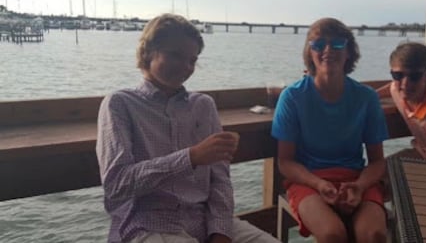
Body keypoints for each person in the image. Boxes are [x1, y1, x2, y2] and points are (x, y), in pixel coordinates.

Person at [96, 13, 279, 243]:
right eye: (175, 55)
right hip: (148, 224)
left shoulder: (203, 105)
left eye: (192, 60)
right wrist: (191, 157)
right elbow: (117, 185)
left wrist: (220, 231)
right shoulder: (119, 103)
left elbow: (220, 179)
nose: (185, 66)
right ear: (148, 52)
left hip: (205, 220)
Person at [272, 18, 389, 243]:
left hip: (356, 179)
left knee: (373, 235)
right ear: (310, 52)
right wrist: (318, 184)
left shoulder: (367, 98)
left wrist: (359, 186)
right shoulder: (292, 97)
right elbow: (285, 162)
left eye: (337, 44)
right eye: (318, 44)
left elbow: (377, 162)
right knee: (333, 235)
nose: (327, 50)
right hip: (309, 180)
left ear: (349, 52)